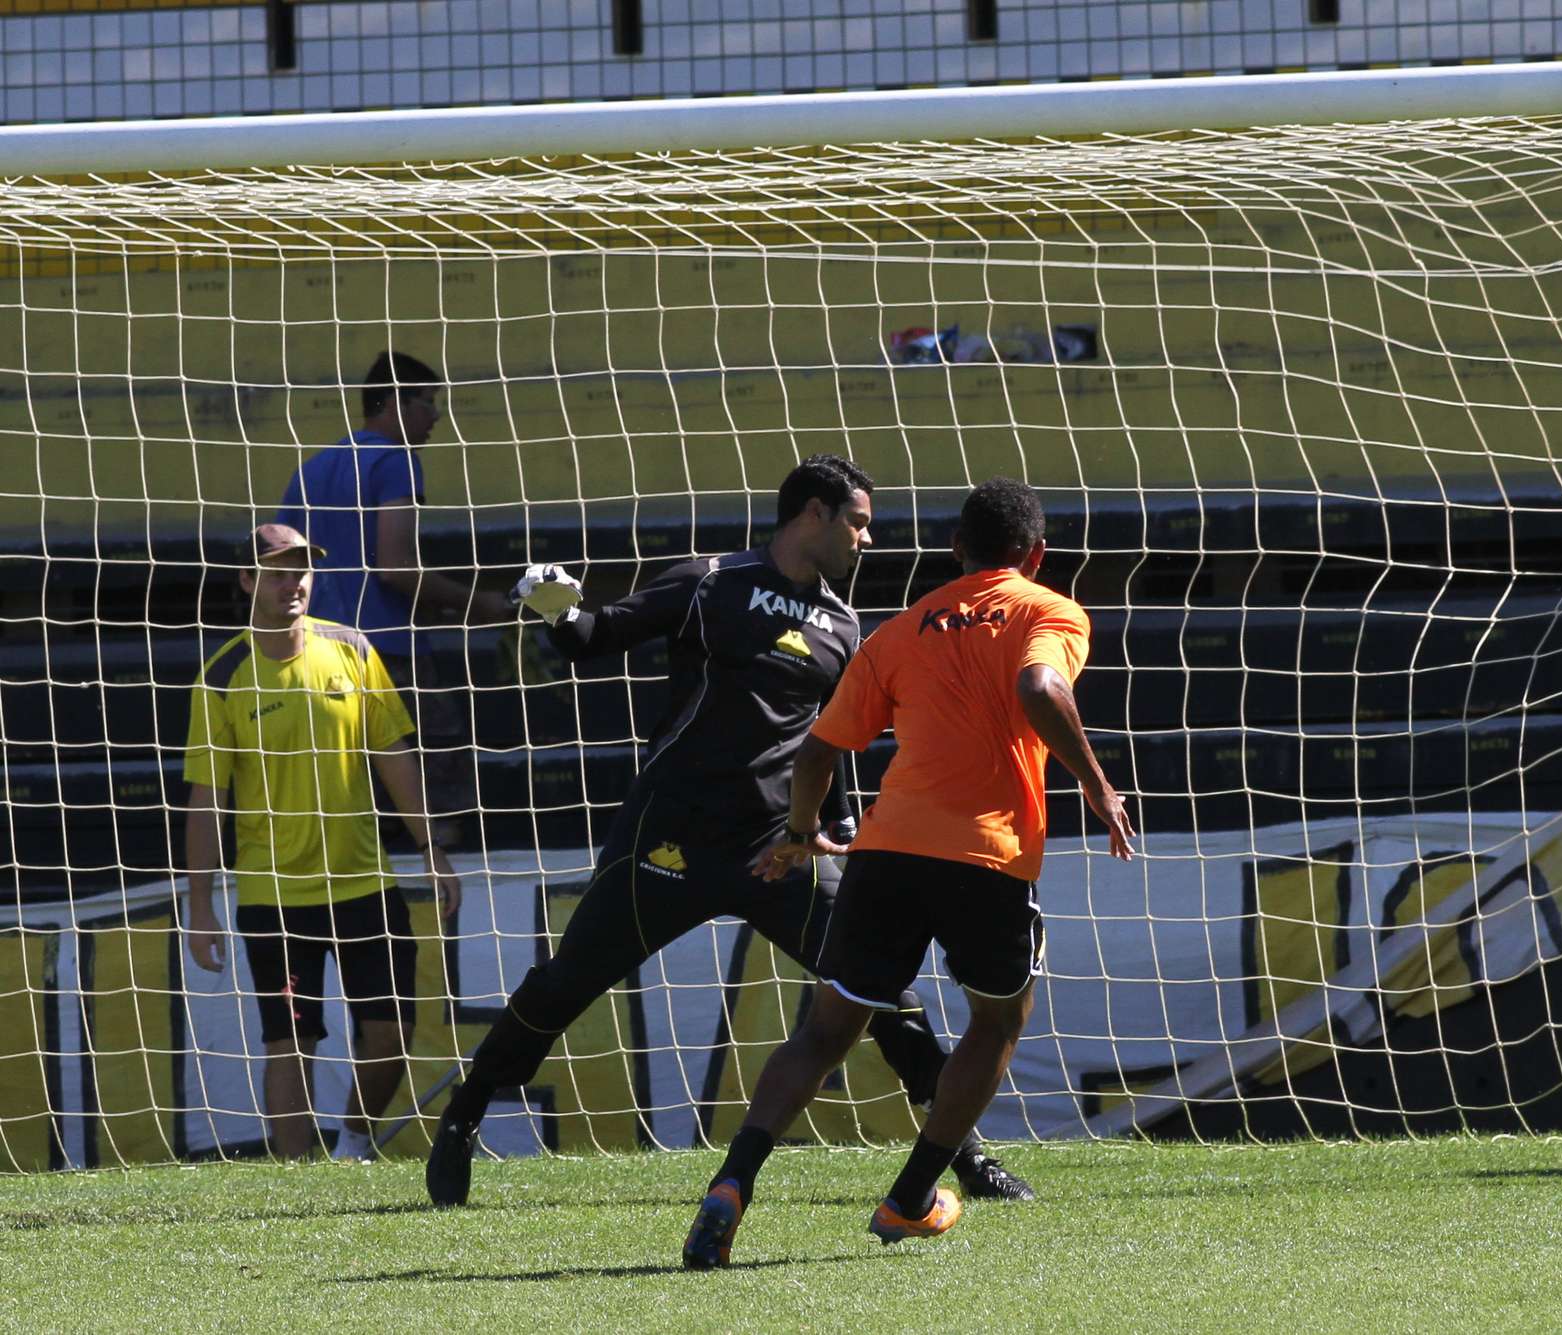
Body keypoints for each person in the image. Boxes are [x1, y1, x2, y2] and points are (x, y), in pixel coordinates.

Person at [424, 454, 1035, 1207]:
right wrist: (555, 607)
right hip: (670, 836)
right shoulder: (709, 580)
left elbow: (832, 742)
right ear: (812, 513)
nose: (866, 540)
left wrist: (838, 828)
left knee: (882, 991)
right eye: (858, 522)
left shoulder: (845, 626)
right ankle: (463, 1116)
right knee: (567, 979)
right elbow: (597, 635)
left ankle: (964, 1157)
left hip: (779, 850)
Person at [682, 477, 1137, 1270]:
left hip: (885, 854)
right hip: (985, 858)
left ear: (955, 549)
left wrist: (798, 832)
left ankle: (731, 1182)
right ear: (1034, 554)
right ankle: (913, 1196)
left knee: (824, 1031)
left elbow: (820, 750)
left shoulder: (896, 632)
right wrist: (1098, 786)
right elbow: (1040, 684)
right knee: (995, 1022)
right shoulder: (1048, 609)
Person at [183, 523, 465, 1160]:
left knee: (393, 1036)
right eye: (280, 570)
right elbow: (207, 800)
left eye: (303, 569)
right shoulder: (222, 676)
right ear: (249, 580)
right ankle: (297, 1188)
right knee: (290, 1041)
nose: (294, 582)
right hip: (274, 896)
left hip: (366, 881)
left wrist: (432, 849)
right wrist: (200, 907)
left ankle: (352, 1144)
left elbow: (393, 752)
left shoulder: (352, 649)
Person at [273, 351, 511, 847]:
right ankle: (442, 888)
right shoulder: (395, 461)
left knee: (348, 789)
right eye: (428, 402)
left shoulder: (309, 473)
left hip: (315, 660)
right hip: (388, 656)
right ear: (394, 403)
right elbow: (396, 567)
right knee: (434, 782)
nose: (436, 415)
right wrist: (477, 604)